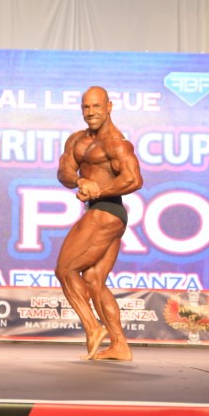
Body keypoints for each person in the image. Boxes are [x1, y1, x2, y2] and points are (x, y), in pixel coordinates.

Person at [55, 87, 143, 361]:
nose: (91, 112)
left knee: (65, 269)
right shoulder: (76, 140)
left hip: (107, 210)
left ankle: (92, 327)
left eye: (96, 106)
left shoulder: (116, 142)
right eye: (86, 107)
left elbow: (134, 179)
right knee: (94, 280)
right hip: (104, 212)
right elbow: (64, 172)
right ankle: (119, 345)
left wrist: (99, 191)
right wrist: (80, 181)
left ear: (109, 107)